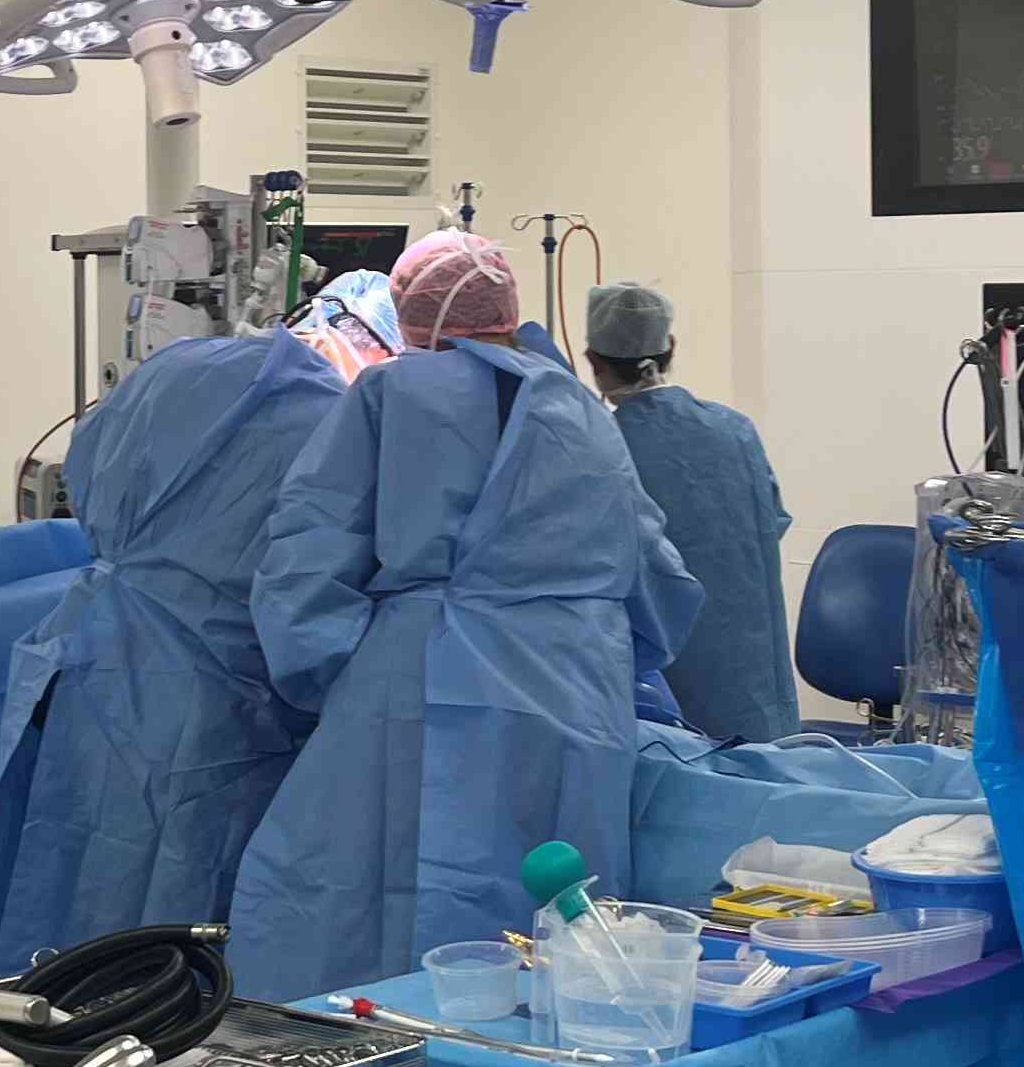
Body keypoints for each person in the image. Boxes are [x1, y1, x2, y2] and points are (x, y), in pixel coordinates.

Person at [233, 232, 703, 1000]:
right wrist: (605, 658)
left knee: (361, 920)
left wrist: (342, 678)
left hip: (414, 686)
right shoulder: (581, 411)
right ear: (507, 314)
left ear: (412, 315)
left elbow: (307, 556)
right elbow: (656, 579)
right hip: (572, 698)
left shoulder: (391, 396)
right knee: (557, 932)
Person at [0, 331, 348, 978]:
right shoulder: (317, 422)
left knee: (62, 890)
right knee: (165, 941)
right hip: (217, 711)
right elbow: (308, 581)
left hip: (88, 669)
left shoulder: (172, 381)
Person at [585, 278, 799, 742]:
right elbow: (771, 523)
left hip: (663, 689)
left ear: (594, 363)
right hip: (751, 685)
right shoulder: (735, 430)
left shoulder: (600, 447)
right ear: (671, 347)